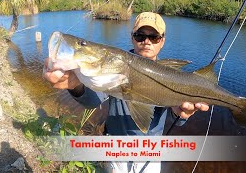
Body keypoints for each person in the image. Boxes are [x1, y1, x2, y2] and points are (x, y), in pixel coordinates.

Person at [43, 12, 209, 173]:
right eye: (140, 35)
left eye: (154, 37)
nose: (146, 41)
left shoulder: (170, 74)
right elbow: (91, 101)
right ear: (132, 37)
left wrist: (180, 115)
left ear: (162, 41)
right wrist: (75, 85)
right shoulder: (115, 63)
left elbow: (177, 118)